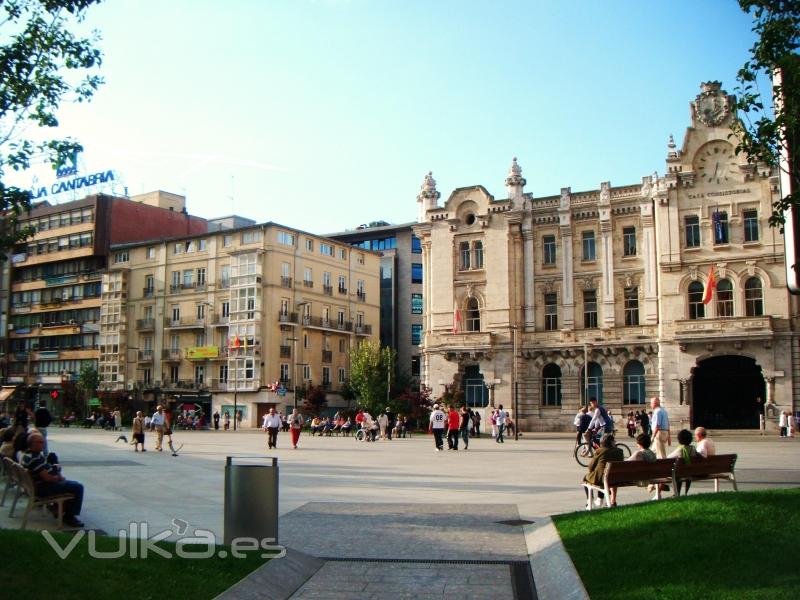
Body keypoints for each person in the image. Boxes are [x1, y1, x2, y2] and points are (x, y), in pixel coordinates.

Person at [21, 431, 85, 527]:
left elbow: (45, 471)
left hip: (37, 485)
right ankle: (69, 516)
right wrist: (58, 478)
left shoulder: (28, 455)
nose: (43, 444)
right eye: (40, 442)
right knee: (78, 487)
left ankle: (59, 508)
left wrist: (55, 471)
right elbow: (47, 478)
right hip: (42, 488)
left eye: (43, 442)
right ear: (32, 444)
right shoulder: (34, 459)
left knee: (72, 484)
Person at [582, 433, 624, 508]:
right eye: (614, 440)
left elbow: (590, 466)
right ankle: (600, 499)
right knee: (602, 476)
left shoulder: (600, 451)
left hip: (603, 479)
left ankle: (589, 502)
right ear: (611, 442)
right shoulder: (620, 451)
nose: (615, 441)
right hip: (616, 478)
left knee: (586, 478)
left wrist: (593, 470)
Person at [669, 429, 699, 496]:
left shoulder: (680, 449)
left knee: (676, 472)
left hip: (679, 473)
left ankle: (676, 493)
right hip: (690, 472)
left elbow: (668, 457)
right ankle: (685, 493)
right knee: (681, 471)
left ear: (679, 439)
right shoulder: (693, 449)